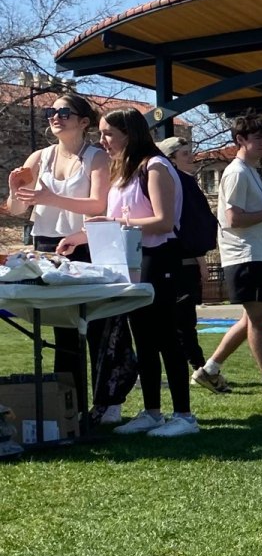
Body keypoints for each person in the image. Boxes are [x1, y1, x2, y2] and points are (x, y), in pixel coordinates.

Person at [57, 108, 198, 437]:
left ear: (129, 133)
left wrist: (118, 224)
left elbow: (163, 221)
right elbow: (112, 219)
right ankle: (151, 412)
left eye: (108, 133)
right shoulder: (123, 169)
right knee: (143, 340)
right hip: (131, 260)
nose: (102, 140)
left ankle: (184, 416)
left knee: (166, 338)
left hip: (159, 257)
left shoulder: (156, 166)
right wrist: (76, 239)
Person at [7, 92, 133, 425]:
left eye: (64, 112)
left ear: (83, 122)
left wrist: (52, 196)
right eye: (51, 111)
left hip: (87, 244)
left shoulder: (96, 158)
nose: (55, 116)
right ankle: (69, 405)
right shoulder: (39, 157)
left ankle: (108, 402)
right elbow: (20, 209)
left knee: (99, 325)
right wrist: (13, 189)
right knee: (63, 328)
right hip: (48, 247)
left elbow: (98, 205)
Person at [192, 111, 262, 399]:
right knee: (258, 320)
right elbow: (234, 218)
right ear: (241, 139)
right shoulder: (237, 172)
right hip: (243, 256)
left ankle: (209, 370)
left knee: (249, 320)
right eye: (258, 137)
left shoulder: (255, 172)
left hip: (256, 253)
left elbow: (257, 216)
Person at [155, 136, 219, 385]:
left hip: (185, 262)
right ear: (170, 159)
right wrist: (201, 260)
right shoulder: (173, 183)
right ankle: (198, 367)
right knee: (180, 321)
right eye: (184, 154)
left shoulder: (185, 184)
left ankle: (196, 366)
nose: (191, 157)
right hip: (177, 262)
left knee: (181, 321)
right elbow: (187, 228)